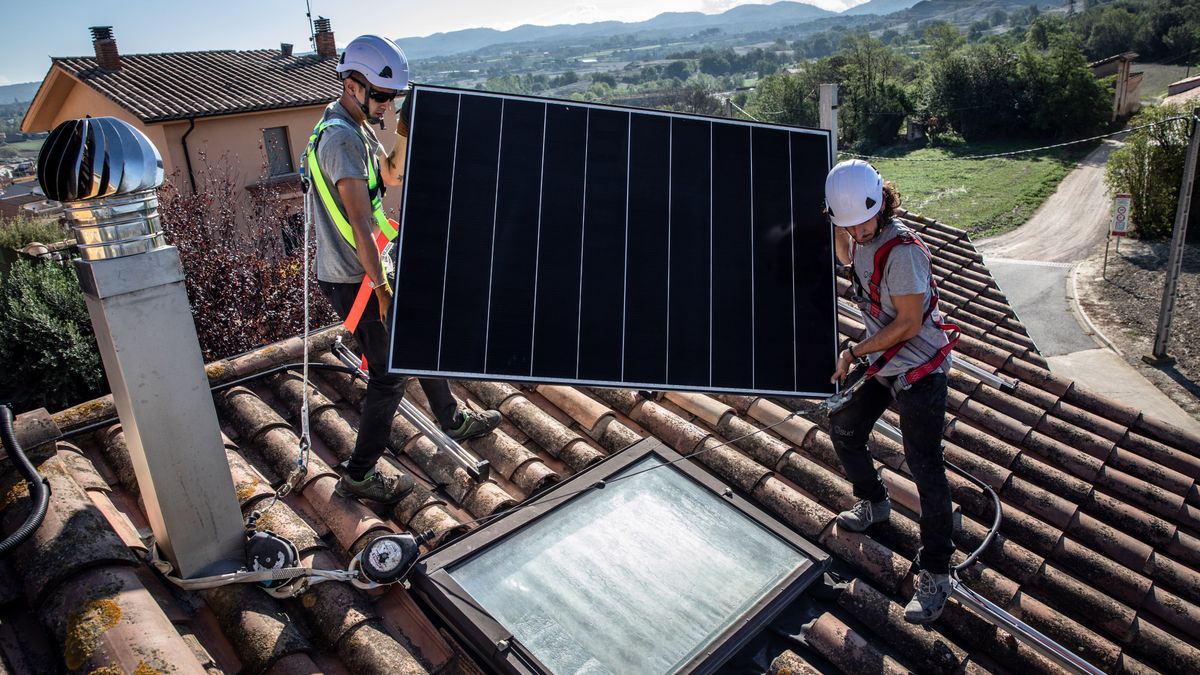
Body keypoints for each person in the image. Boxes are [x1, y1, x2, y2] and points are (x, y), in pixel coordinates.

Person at [307, 34, 500, 503]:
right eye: (382, 95)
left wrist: (407, 130)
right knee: (390, 375)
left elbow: (391, 175)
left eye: (394, 98)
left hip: (369, 267)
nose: (387, 105)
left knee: (419, 336)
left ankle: (451, 417)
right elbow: (358, 222)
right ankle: (359, 475)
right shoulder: (340, 142)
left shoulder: (356, 127)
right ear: (352, 85)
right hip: (356, 278)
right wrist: (382, 288)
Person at [825, 159, 959, 624]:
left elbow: (908, 323)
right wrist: (837, 222)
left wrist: (856, 351)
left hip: (919, 371)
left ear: (881, 204)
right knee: (844, 427)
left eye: (862, 220)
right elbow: (848, 254)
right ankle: (875, 501)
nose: (857, 231)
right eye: (847, 224)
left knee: (925, 467)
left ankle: (938, 572)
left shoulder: (902, 252)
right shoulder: (859, 236)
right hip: (886, 365)